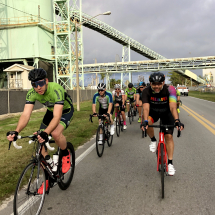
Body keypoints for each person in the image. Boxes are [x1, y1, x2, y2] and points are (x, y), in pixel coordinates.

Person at [6, 68, 74, 193]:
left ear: (46, 81)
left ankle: (65, 155)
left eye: (41, 83)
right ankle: (49, 174)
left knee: (55, 133)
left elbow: (57, 116)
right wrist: (16, 131)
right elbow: (26, 115)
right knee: (39, 141)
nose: (38, 87)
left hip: (65, 111)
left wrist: (46, 132)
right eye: (34, 84)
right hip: (50, 112)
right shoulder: (32, 93)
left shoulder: (56, 89)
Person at [140, 72, 184, 176]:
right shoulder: (146, 91)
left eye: (159, 84)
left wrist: (177, 120)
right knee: (148, 121)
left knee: (168, 137)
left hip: (166, 113)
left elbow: (173, 107)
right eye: (154, 84)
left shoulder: (170, 89)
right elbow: (146, 108)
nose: (156, 86)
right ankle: (153, 140)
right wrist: (145, 121)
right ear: (150, 83)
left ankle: (170, 163)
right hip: (153, 112)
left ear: (163, 82)